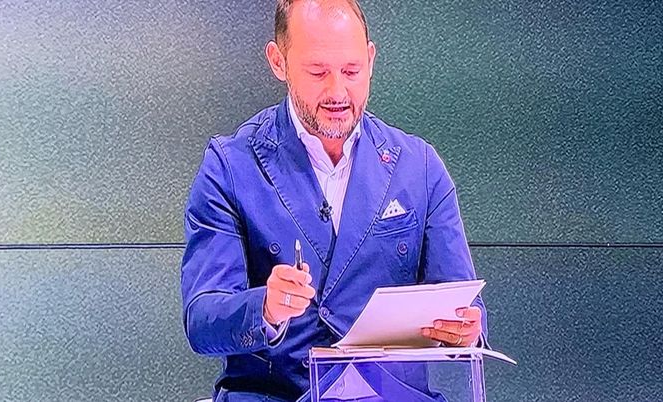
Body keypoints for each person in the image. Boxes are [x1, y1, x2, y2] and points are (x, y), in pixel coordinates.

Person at [181, 0, 488, 400]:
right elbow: (202, 320)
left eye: (351, 71)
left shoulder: (420, 167)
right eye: (318, 72)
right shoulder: (230, 166)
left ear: (371, 60)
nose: (338, 92)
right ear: (278, 62)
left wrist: (468, 329)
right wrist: (266, 308)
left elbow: (464, 300)